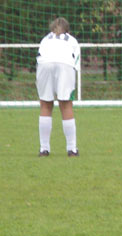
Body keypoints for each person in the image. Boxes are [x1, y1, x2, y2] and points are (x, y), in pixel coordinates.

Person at [36, 17, 80, 157]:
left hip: (44, 65)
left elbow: (39, 58)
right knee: (66, 105)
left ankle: (44, 149)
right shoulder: (72, 40)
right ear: (68, 30)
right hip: (65, 64)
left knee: (45, 104)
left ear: (51, 29)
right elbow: (76, 63)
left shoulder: (45, 39)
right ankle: (72, 149)